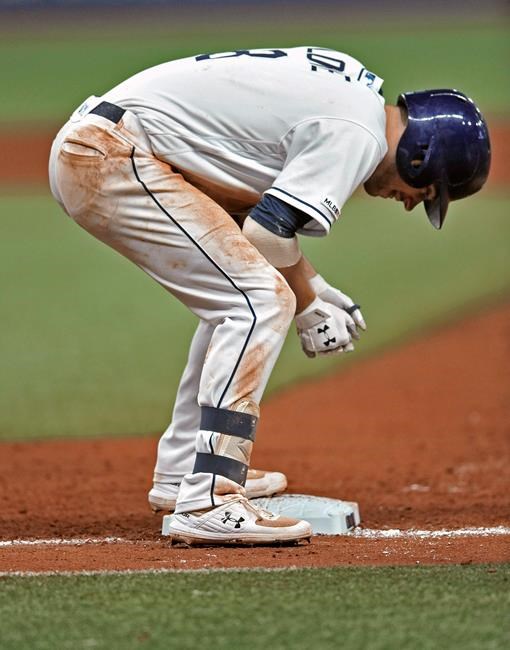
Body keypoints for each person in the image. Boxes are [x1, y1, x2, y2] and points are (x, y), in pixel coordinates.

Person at [48, 46, 490, 546]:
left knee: (239, 297)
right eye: (427, 190)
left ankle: (184, 475)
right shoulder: (359, 134)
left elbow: (256, 219)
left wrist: (316, 290)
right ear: (420, 155)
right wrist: (306, 306)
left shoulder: (355, 97)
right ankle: (210, 497)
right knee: (258, 301)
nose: (413, 204)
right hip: (113, 157)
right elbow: (267, 232)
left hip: (109, 145)